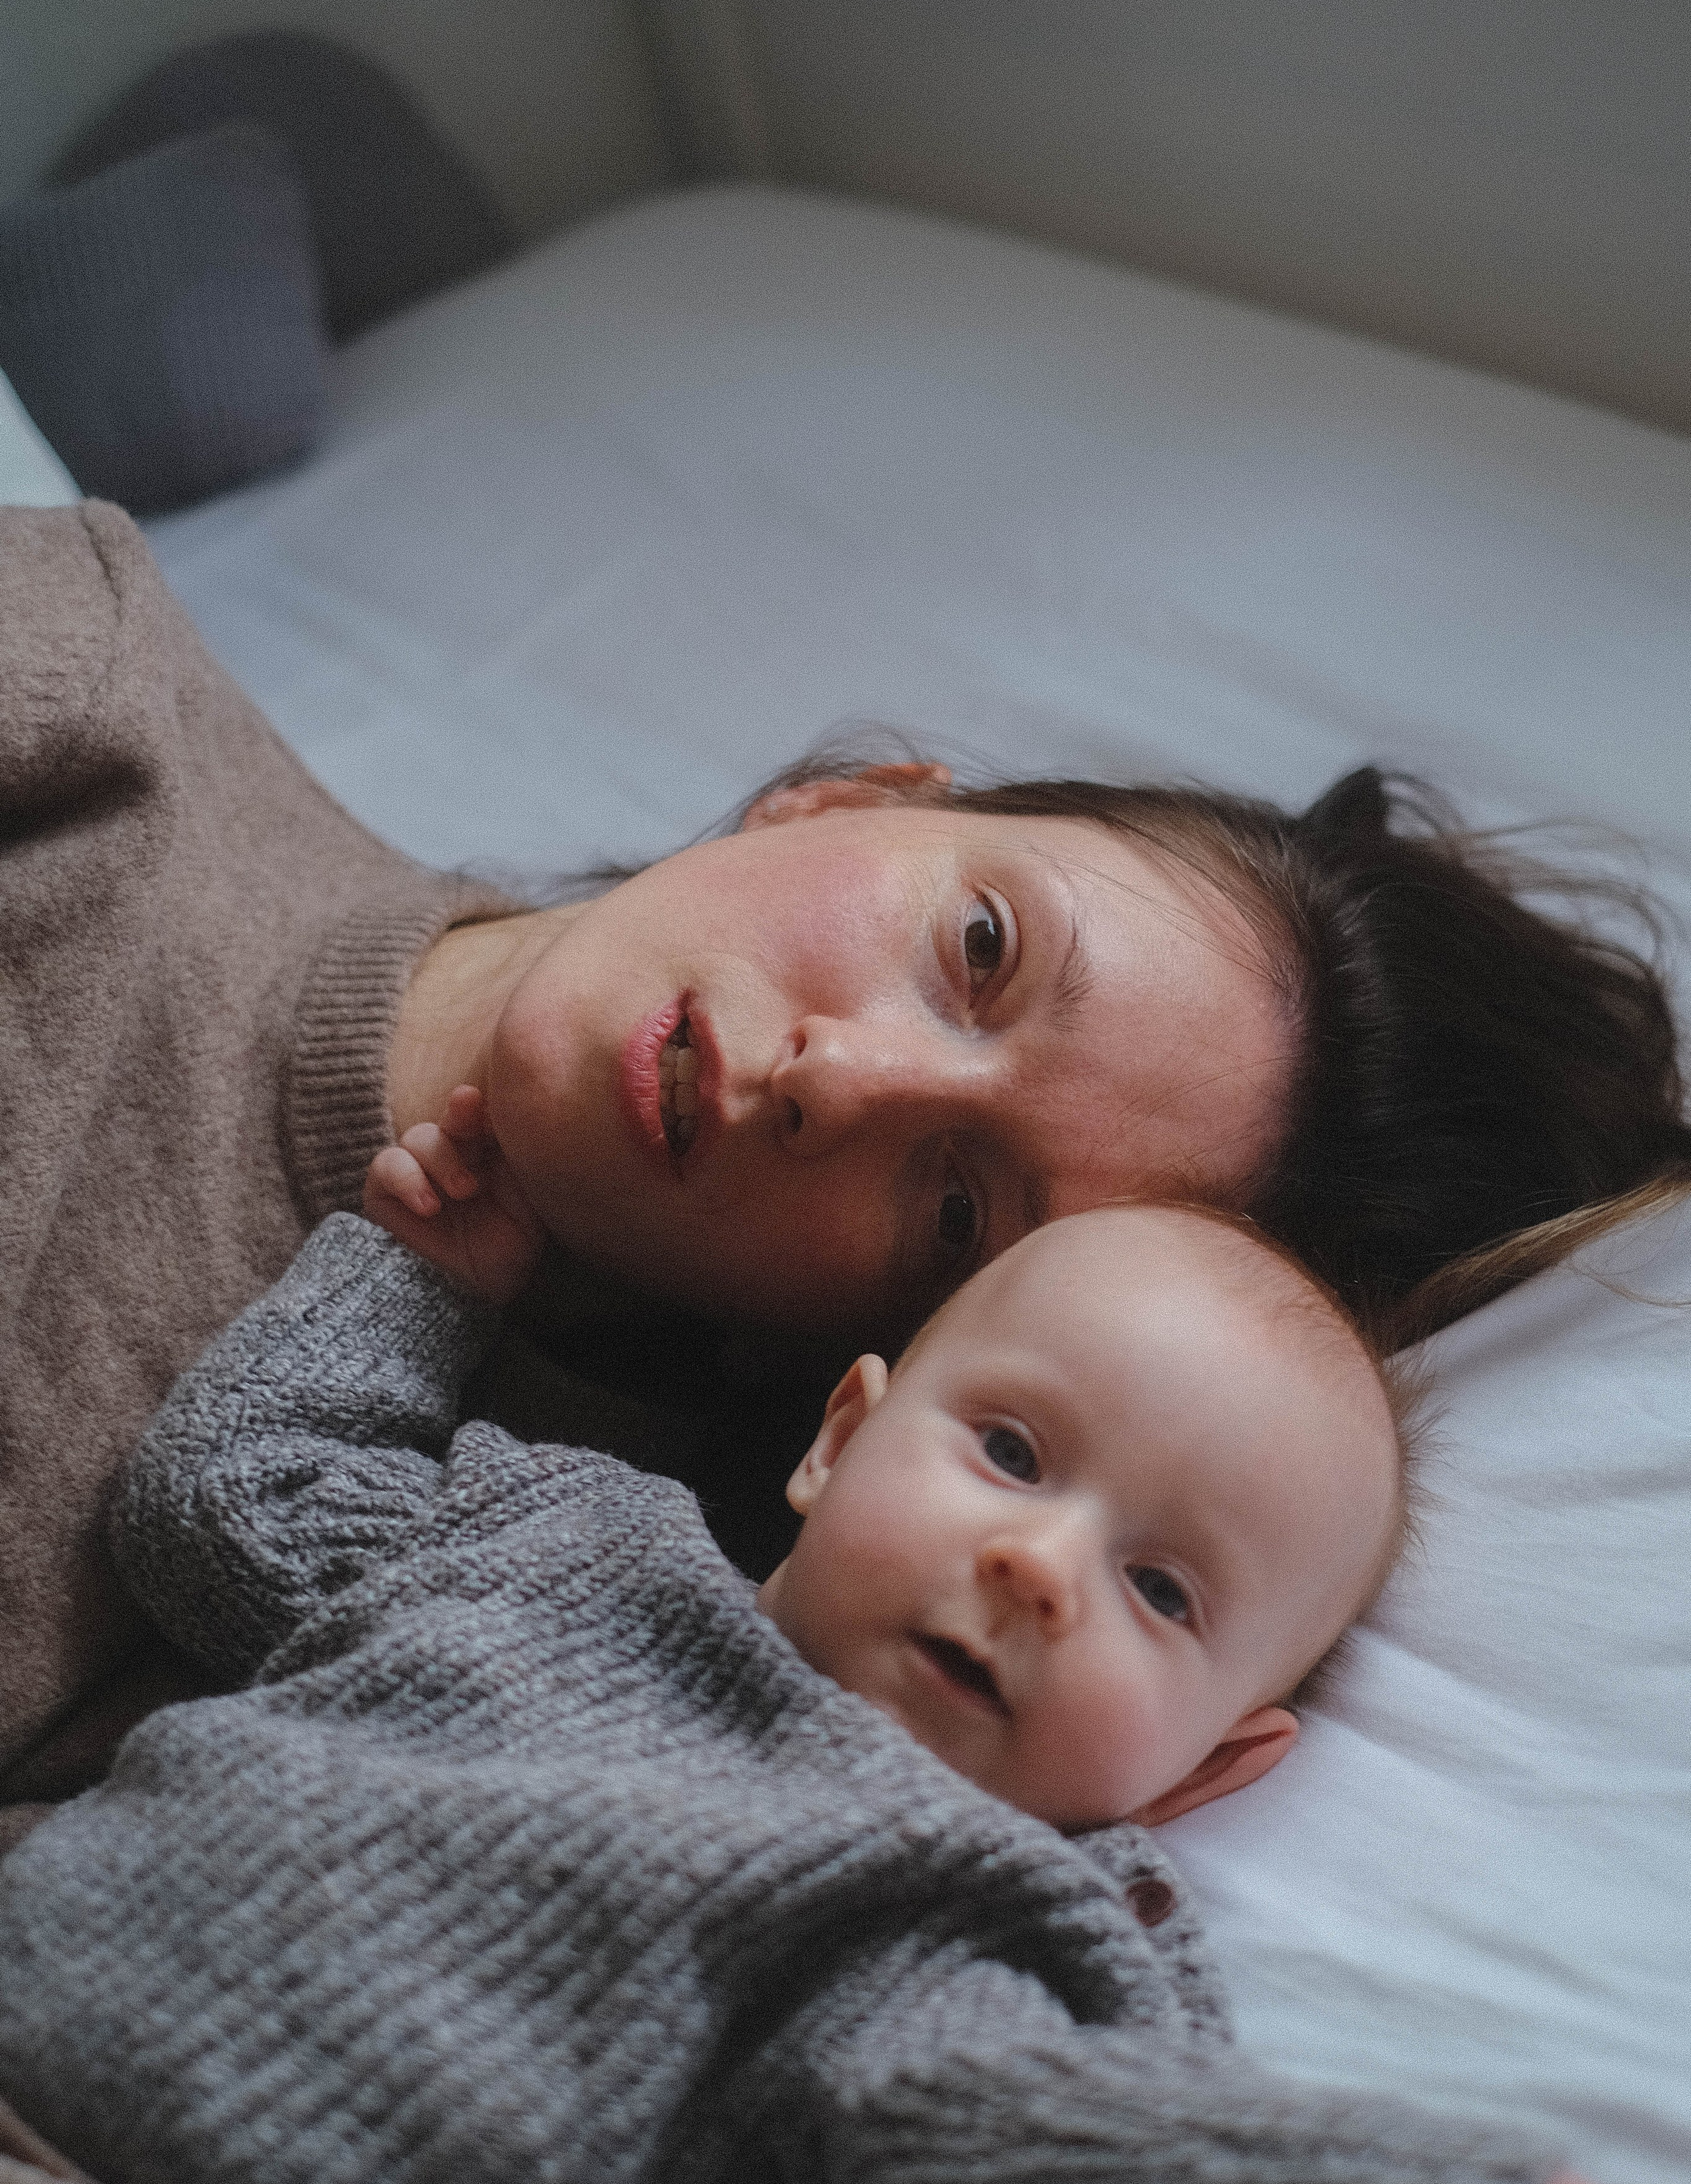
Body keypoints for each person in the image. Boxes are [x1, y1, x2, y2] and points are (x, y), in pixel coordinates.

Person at [6, 499, 1690, 1862]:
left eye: (960, 1210)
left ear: (868, 1382)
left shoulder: (575, 1624)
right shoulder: (83, 706)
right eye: (976, 947)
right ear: (844, 801)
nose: (844, 1080)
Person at [0, 1104, 1669, 2184]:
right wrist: (418, 1276)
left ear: (1206, 1770)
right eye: (1011, 1455)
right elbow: (230, 1506)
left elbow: (1032, 2179)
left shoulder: (927, 1913)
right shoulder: (553, 1537)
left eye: (1161, 1596)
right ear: (836, 1440)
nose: (1034, 1569)